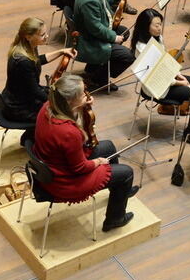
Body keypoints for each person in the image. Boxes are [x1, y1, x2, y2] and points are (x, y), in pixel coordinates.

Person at [33, 74, 137, 232]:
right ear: (70, 101)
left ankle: (118, 191)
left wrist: (83, 107)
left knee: (108, 146)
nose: (86, 95)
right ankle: (115, 219)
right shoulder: (68, 132)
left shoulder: (48, 106)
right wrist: (98, 162)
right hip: (64, 182)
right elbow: (79, 168)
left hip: (52, 166)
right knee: (126, 173)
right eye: (82, 94)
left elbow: (71, 125)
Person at [72, 0, 134, 92]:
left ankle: (93, 68)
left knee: (124, 31)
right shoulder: (89, 0)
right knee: (127, 56)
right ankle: (98, 79)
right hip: (90, 41)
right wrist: (113, 37)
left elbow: (103, 1)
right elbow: (95, 28)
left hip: (93, 32)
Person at [2, 17, 76, 123]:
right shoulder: (23, 61)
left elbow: (38, 60)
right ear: (28, 36)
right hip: (19, 108)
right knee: (61, 115)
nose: (46, 36)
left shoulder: (27, 46)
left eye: (46, 33)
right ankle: (37, 136)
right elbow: (35, 91)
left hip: (19, 96)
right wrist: (58, 104)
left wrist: (61, 51)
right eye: (42, 35)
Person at [129, 8, 190, 105]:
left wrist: (179, 75)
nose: (160, 28)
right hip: (157, 87)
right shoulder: (142, 49)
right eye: (156, 25)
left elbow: (165, 60)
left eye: (160, 24)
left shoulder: (158, 37)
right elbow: (156, 75)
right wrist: (180, 82)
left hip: (167, 77)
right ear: (146, 27)